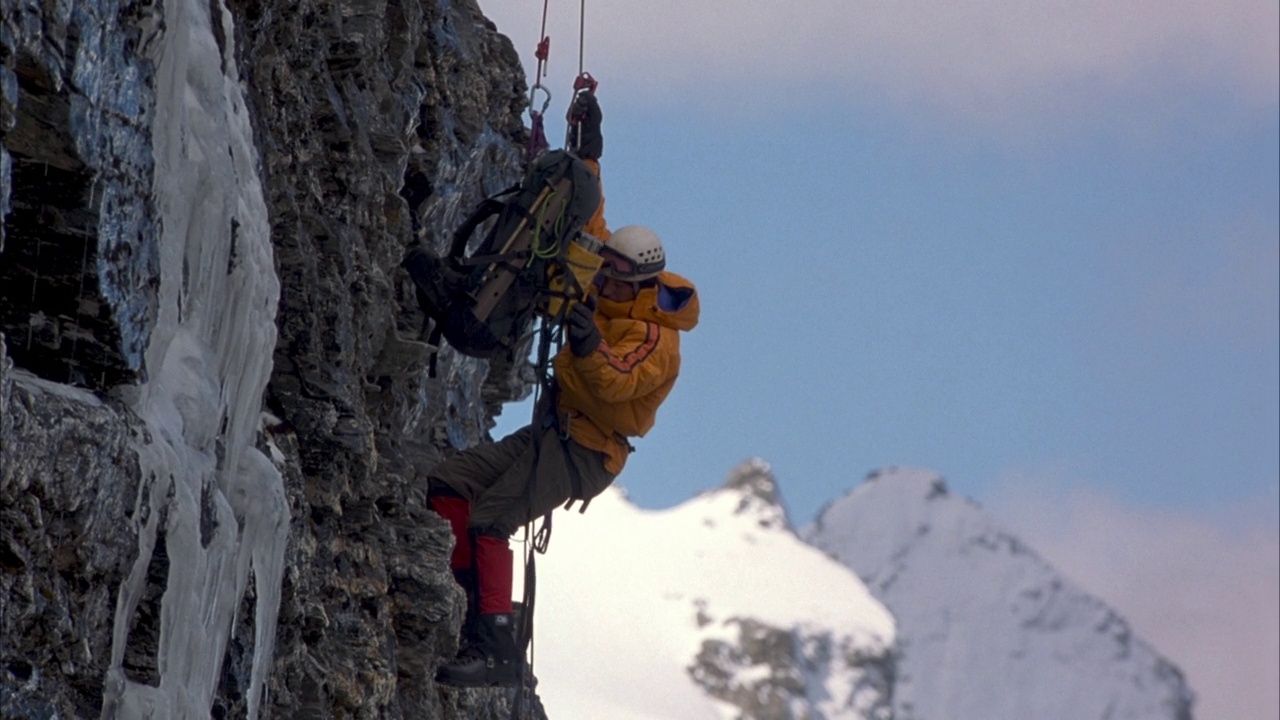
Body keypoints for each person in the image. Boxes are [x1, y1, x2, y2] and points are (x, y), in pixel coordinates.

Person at [426, 94, 700, 688]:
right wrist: (589, 153)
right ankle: (477, 601)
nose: (603, 277)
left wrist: (586, 345)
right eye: (606, 270)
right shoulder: (612, 289)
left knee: (494, 517)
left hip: (585, 452)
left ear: (642, 281)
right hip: (553, 431)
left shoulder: (656, 336)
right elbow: (590, 222)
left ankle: (496, 649)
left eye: (616, 275)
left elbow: (617, 382)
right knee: (451, 485)